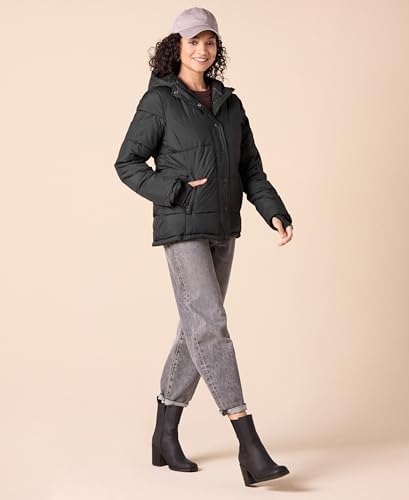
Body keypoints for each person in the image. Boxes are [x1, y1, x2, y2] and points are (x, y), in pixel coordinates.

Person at [114, 7, 293, 486]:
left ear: (217, 48)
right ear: (176, 46)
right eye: (193, 41)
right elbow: (128, 163)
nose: (202, 49)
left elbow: (250, 168)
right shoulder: (159, 101)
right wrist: (174, 190)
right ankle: (249, 444)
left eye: (210, 42)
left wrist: (273, 210)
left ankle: (164, 433)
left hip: (224, 226)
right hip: (183, 226)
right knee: (210, 326)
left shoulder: (229, 104)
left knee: (195, 330)